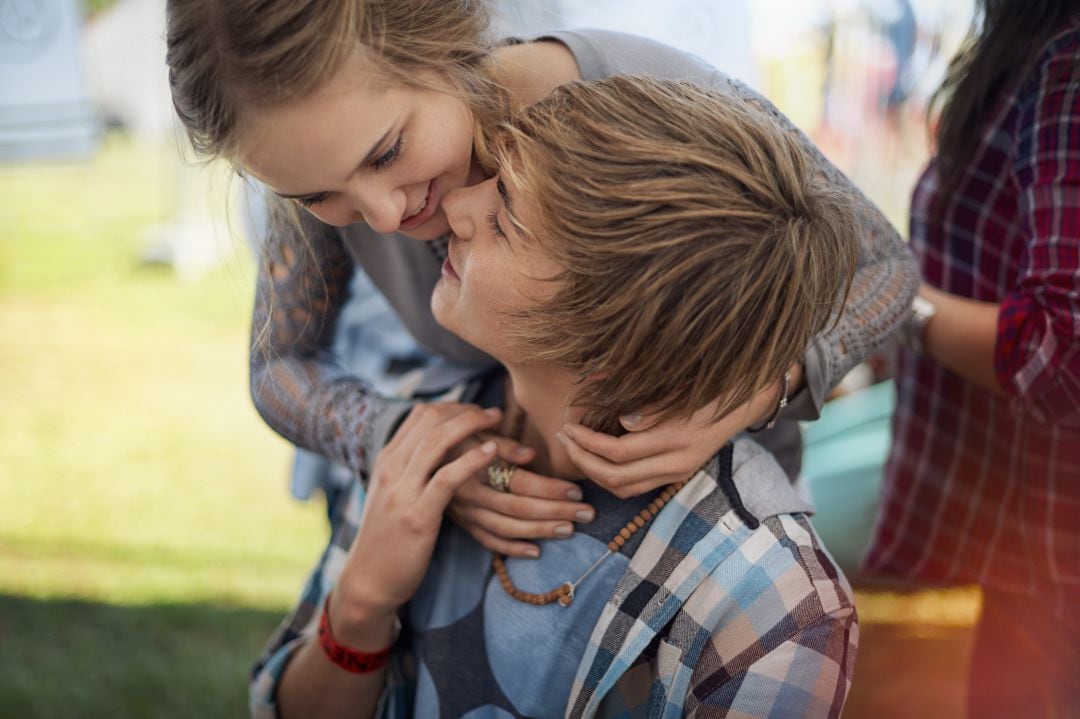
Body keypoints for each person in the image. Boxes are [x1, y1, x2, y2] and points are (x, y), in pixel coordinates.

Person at [165, 0, 919, 558]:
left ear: (439, 40)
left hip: (712, 534)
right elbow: (279, 365)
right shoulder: (315, 151)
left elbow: (883, 266)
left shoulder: (634, 99)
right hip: (523, 542)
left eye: (388, 152)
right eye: (316, 198)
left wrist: (758, 390)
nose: (383, 216)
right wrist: (412, 447)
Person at [250, 75, 860, 719]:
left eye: (507, 218)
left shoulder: (769, 604)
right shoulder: (428, 431)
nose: (458, 208)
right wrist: (360, 608)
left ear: (614, 341)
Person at [865, 1, 1080, 715]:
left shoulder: (1069, 59)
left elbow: (1060, 349)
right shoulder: (1033, 47)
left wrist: (896, 303)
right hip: (1032, 558)